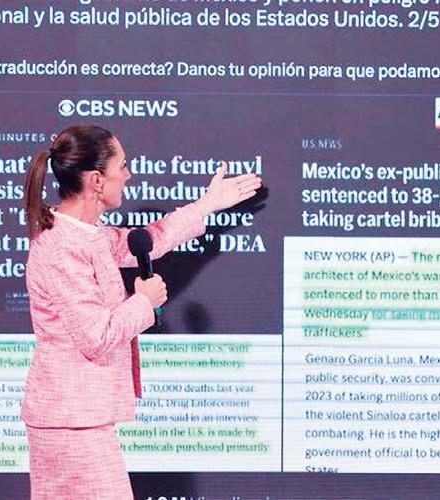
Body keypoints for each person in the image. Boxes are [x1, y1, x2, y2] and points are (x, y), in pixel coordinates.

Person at [20, 124, 262, 499]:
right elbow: (96, 337)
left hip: (79, 419)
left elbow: (150, 239)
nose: (129, 175)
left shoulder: (88, 234)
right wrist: (144, 301)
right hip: (70, 421)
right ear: (97, 180)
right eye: (123, 166)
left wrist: (206, 205)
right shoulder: (62, 248)